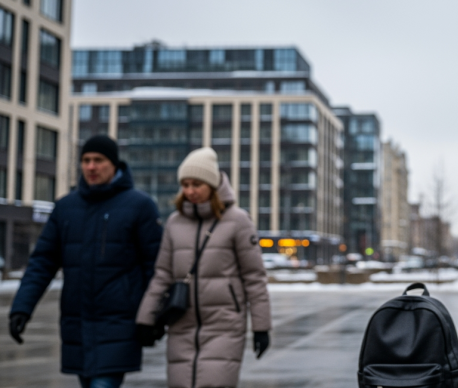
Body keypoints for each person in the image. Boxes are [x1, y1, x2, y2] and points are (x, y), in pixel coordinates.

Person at [8, 135, 162, 388]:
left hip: (118, 326)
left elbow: (155, 268)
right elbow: (42, 262)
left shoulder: (140, 206)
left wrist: (152, 318)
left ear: (114, 164)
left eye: (98, 160)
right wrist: (21, 308)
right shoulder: (66, 208)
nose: (91, 167)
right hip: (76, 325)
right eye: (86, 160)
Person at [135, 147, 271, 388]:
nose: (189, 191)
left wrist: (261, 327)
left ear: (213, 184)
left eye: (196, 184)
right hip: (182, 323)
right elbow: (163, 274)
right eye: (185, 184)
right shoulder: (175, 223)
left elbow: (254, 277)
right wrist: (145, 319)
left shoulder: (238, 221)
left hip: (224, 324)